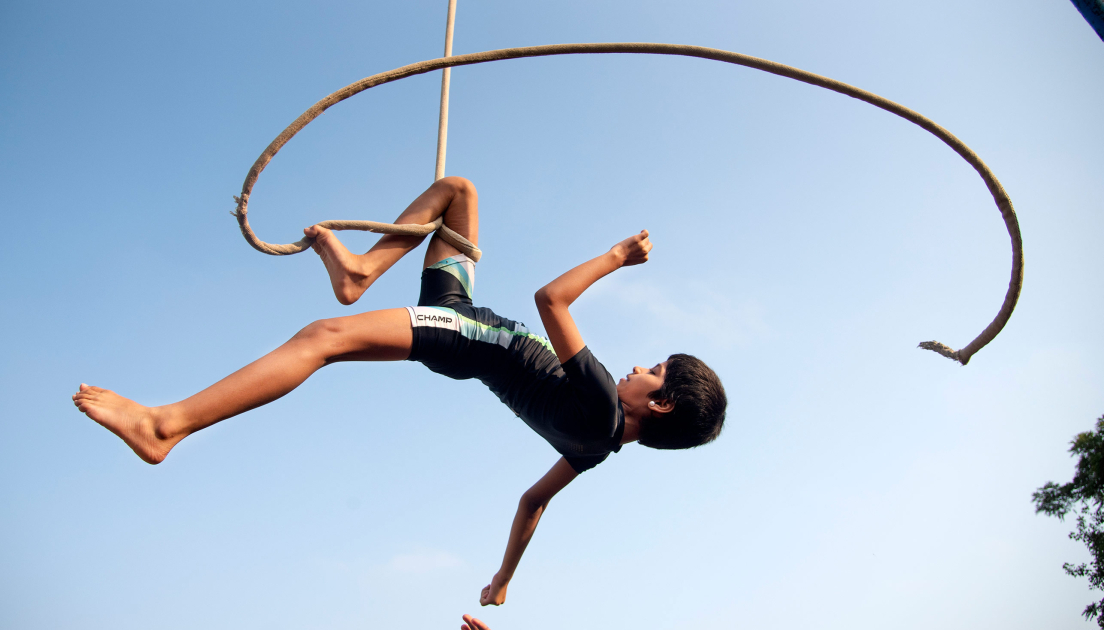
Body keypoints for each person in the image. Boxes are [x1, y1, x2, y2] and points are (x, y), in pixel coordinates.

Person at [72, 177, 727, 606]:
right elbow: (531, 503)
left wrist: (616, 256)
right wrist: (503, 580)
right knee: (456, 192)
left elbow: (551, 298)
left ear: (659, 403)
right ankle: (360, 271)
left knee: (321, 338)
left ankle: (168, 426)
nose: (638, 367)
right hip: (464, 314)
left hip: (467, 336)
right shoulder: (597, 447)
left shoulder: (604, 406)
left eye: (655, 370)